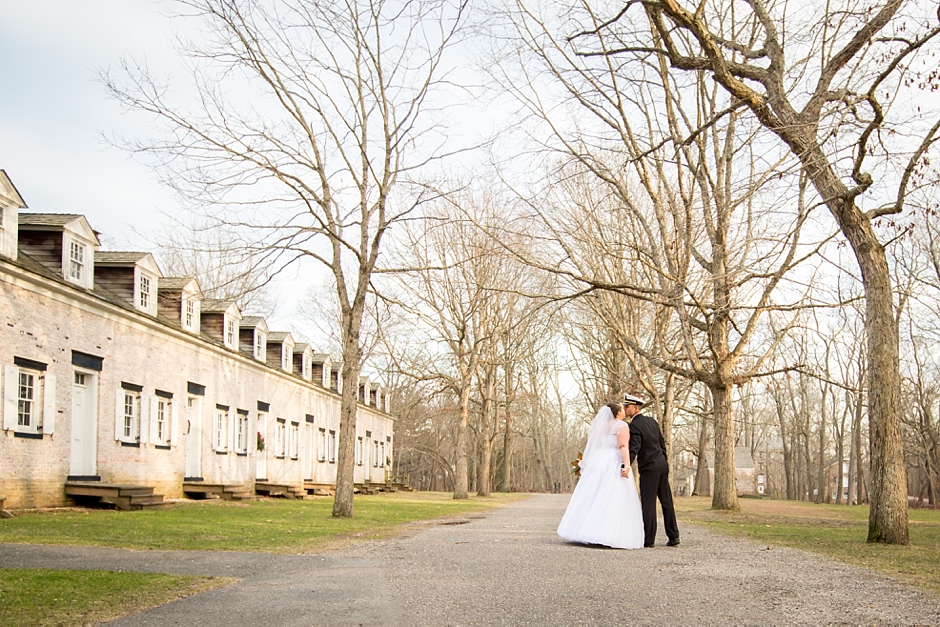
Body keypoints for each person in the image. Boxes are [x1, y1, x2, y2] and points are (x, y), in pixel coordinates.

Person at [557, 402, 645, 549]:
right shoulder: (621, 426)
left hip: (599, 460)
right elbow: (623, 446)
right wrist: (626, 464)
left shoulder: (602, 426)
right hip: (612, 460)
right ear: (617, 413)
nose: (624, 409)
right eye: (622, 408)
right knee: (611, 495)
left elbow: (595, 444)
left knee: (592, 493)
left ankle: (581, 529)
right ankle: (604, 533)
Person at [625, 393, 680, 547]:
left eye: (627, 406)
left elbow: (634, 448)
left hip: (649, 468)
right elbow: (662, 443)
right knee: (666, 501)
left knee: (648, 503)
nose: (625, 408)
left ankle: (648, 540)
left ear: (635, 408)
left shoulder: (634, 426)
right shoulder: (652, 421)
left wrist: (626, 464)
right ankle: (674, 535)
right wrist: (665, 461)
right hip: (661, 464)